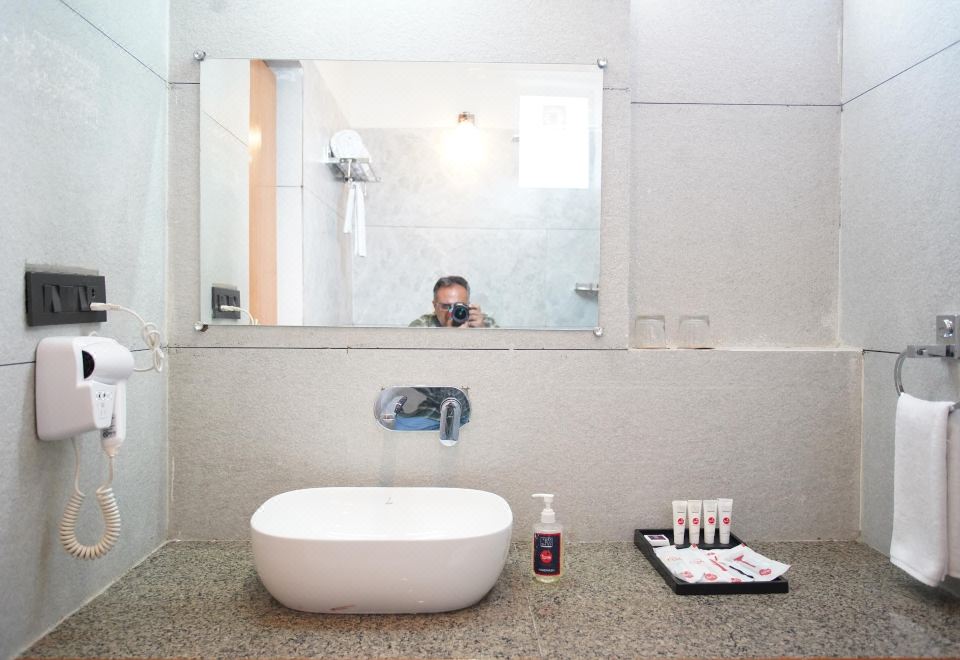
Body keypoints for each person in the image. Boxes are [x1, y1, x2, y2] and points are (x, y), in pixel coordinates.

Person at [409, 275, 497, 328]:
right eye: (446, 306)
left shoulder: (483, 323)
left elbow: (502, 351)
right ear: (435, 306)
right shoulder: (422, 326)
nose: (452, 312)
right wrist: (449, 336)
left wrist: (482, 334)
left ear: (468, 305)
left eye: (459, 306)